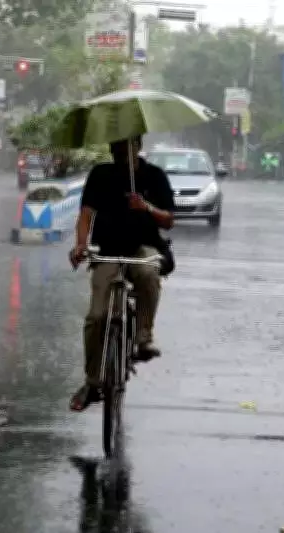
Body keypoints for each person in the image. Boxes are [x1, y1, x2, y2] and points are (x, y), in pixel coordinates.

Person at [68, 136, 175, 412]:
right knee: (97, 317)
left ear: (138, 146)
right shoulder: (100, 175)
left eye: (127, 146)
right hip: (107, 251)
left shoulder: (155, 176)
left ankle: (143, 336)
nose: (121, 152)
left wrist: (146, 207)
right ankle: (93, 381)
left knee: (148, 273)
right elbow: (86, 215)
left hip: (142, 247)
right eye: (116, 146)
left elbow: (169, 220)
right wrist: (81, 245)